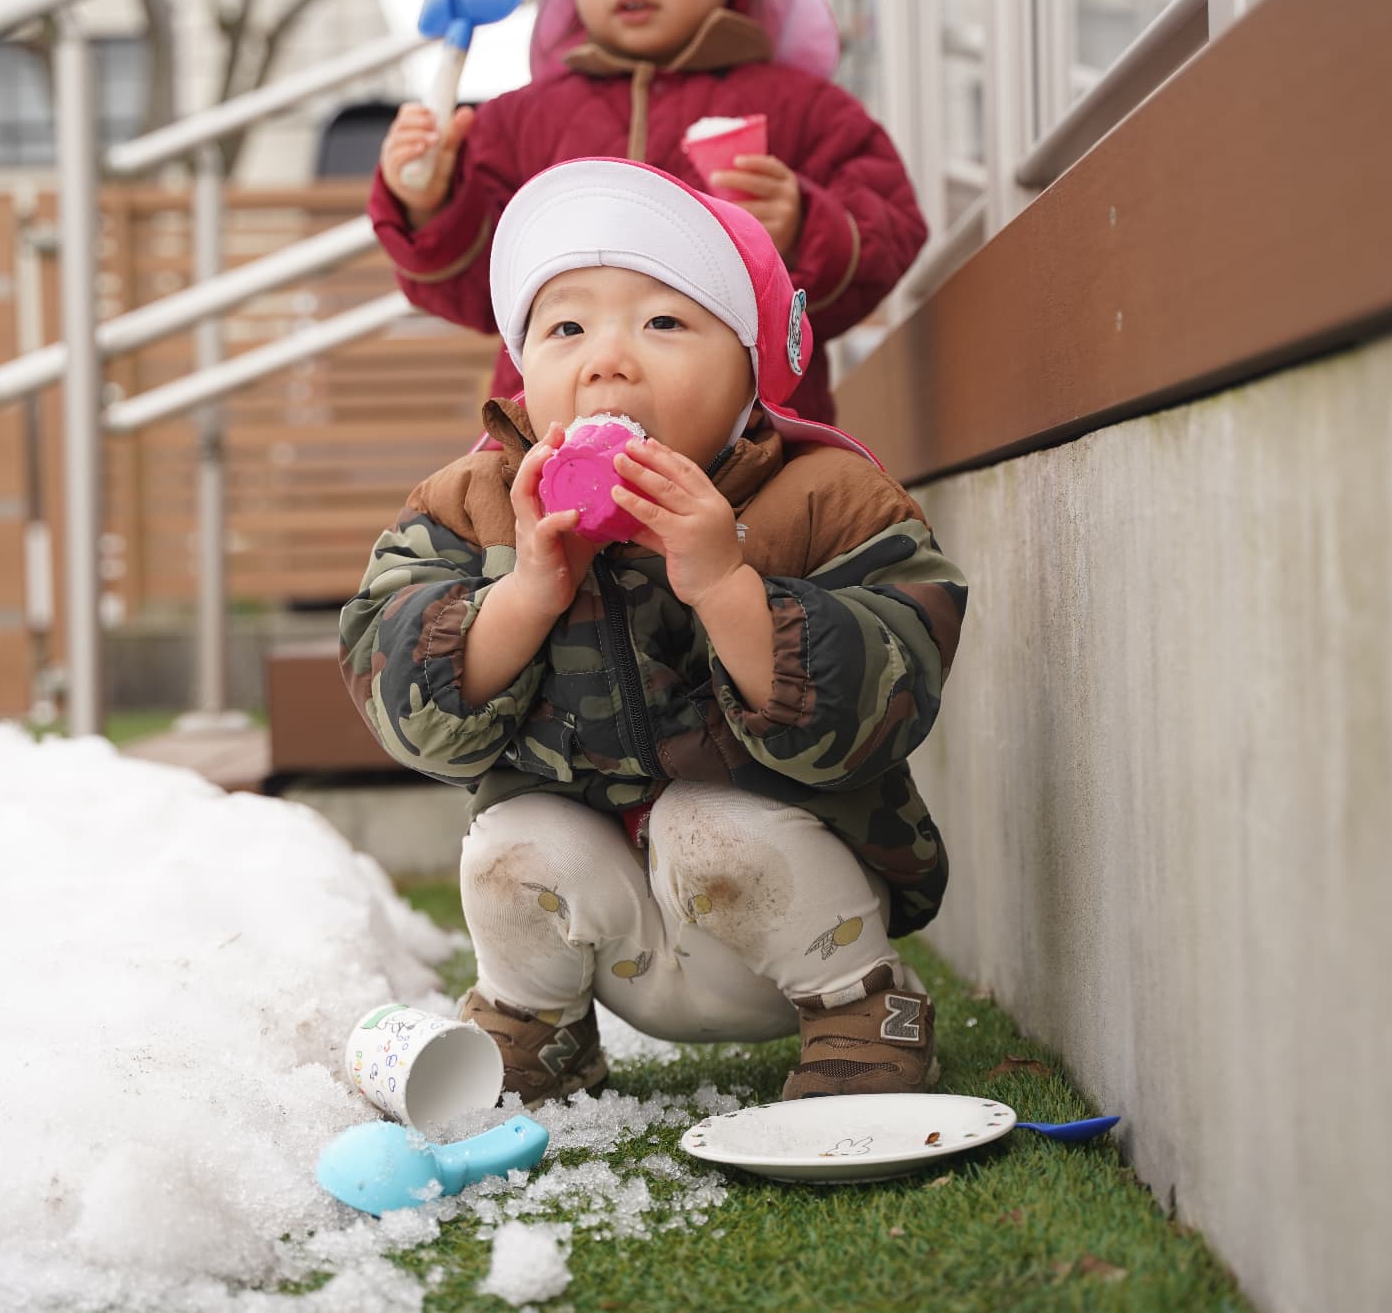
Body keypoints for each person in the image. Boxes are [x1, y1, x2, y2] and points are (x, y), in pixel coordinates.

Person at [340, 158, 965, 1103]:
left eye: (664, 322)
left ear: (753, 368)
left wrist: (724, 582)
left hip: (789, 912)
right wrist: (525, 594)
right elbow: (400, 695)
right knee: (512, 839)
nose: (607, 360)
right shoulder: (470, 507)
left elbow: (888, 692)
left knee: (700, 820)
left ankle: (862, 1006)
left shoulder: (827, 496)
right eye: (565, 328)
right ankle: (539, 1023)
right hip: (614, 937)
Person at [370, 0, 926, 425]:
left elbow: (892, 227)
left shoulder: (807, 109)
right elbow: (478, 290)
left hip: (752, 453)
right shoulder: (516, 124)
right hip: (550, 442)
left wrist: (803, 228)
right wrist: (431, 206)